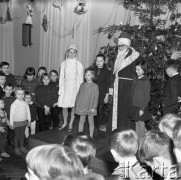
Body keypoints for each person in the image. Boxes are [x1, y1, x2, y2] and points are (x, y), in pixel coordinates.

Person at [106, 32, 140, 135]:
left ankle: (125, 132)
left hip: (127, 87)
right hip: (118, 86)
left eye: (122, 45)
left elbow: (138, 72)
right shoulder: (118, 55)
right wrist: (111, 89)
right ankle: (116, 130)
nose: (120, 48)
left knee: (125, 111)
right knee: (117, 110)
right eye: (119, 45)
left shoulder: (134, 56)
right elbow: (114, 74)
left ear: (127, 45)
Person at [58, 44, 83, 132]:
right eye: (70, 52)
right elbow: (61, 77)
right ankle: (65, 122)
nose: (72, 54)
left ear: (76, 54)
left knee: (73, 107)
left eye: (74, 53)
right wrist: (61, 88)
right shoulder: (63, 64)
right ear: (67, 53)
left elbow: (80, 79)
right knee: (64, 107)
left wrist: (80, 91)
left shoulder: (79, 65)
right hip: (66, 87)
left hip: (74, 88)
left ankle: (71, 123)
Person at [128, 60, 151, 141]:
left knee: (141, 124)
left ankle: (141, 140)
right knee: (136, 122)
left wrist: (142, 109)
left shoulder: (146, 81)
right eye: (136, 69)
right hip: (134, 105)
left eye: (138, 70)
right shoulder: (136, 78)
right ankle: (137, 139)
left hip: (141, 107)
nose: (136, 71)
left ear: (144, 70)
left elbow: (147, 97)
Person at [75, 68, 99, 138]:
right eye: (85, 74)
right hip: (82, 105)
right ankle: (79, 135)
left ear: (92, 76)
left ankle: (91, 136)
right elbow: (78, 95)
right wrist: (76, 103)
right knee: (81, 121)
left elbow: (96, 97)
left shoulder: (95, 86)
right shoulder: (82, 85)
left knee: (90, 122)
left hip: (90, 106)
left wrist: (94, 107)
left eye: (88, 75)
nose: (86, 76)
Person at [93, 54, 111, 132]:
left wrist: (107, 96)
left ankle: (97, 127)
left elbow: (108, 85)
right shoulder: (93, 70)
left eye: (100, 61)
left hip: (102, 94)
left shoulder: (107, 72)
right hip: (93, 93)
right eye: (97, 60)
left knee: (100, 111)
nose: (98, 62)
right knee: (93, 110)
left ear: (104, 62)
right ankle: (92, 125)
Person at [10, 87, 31, 155]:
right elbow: (11, 114)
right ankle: (16, 148)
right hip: (16, 122)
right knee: (17, 136)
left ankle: (22, 146)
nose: (21, 96)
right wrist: (11, 123)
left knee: (22, 135)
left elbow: (28, 112)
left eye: (22, 94)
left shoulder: (25, 103)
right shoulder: (14, 104)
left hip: (24, 122)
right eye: (19, 94)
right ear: (15, 95)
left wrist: (29, 121)